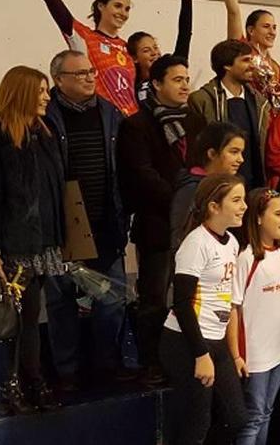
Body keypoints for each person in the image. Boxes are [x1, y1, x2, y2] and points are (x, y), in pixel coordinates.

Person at [117, 55, 207, 384]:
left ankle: (186, 353)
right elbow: (141, 175)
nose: (185, 85)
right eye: (177, 80)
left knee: (191, 294)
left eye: (187, 79)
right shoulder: (136, 125)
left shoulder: (195, 120)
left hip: (196, 223)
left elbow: (204, 165)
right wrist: (184, 199)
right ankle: (151, 361)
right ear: (156, 84)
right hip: (158, 222)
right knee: (154, 295)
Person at [0, 66, 63, 413]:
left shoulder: (43, 132)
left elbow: (54, 190)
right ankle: (10, 386)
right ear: (23, 92)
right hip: (14, 245)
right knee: (13, 318)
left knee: (32, 316)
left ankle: (32, 380)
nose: (47, 97)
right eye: (41, 91)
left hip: (43, 241)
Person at [45, 50, 130, 384]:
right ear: (58, 80)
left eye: (90, 71)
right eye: (79, 73)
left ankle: (107, 365)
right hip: (61, 227)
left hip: (106, 221)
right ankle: (67, 371)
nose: (89, 77)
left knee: (111, 300)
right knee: (61, 301)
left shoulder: (110, 113)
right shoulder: (46, 116)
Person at [159, 174, 249, 443]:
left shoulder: (231, 242)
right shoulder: (196, 243)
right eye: (236, 200)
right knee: (197, 423)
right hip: (185, 341)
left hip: (215, 339)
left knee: (236, 418)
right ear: (213, 206)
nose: (244, 206)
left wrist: (233, 354)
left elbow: (228, 300)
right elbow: (182, 303)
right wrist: (200, 354)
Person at [4, 0, 139, 115]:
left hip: (134, 129)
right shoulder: (84, 38)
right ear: (101, 6)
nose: (123, 13)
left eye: (127, 9)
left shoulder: (128, 48)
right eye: (117, 6)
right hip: (107, 126)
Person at [226, 188, 280, 445]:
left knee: (266, 413)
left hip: (278, 351)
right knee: (252, 417)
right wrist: (235, 354)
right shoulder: (247, 258)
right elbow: (234, 308)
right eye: (278, 214)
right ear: (259, 218)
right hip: (254, 355)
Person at [188, 40, 270, 189]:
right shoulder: (201, 100)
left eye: (251, 60)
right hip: (217, 187)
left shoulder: (260, 102)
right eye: (245, 60)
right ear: (227, 65)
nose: (252, 66)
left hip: (254, 186)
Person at [169, 122, 246, 252]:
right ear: (211, 153)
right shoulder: (191, 188)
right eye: (234, 152)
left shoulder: (231, 184)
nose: (241, 159)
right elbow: (179, 237)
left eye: (241, 153)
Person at [128, 0, 193, 107]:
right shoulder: (130, 84)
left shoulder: (171, 68)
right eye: (146, 50)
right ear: (134, 58)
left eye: (155, 47)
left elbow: (185, 34)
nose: (154, 53)